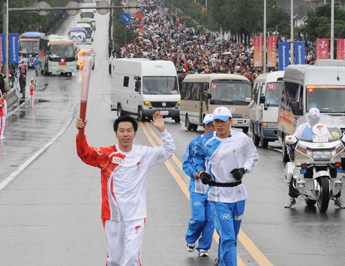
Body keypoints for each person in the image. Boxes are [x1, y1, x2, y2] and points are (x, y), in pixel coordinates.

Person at [75, 113, 175, 266]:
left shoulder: (144, 154)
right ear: (116, 133)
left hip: (136, 215)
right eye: (121, 130)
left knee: (132, 259)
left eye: (129, 130)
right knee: (114, 260)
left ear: (135, 133)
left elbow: (168, 151)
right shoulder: (106, 154)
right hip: (112, 216)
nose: (125, 134)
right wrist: (80, 133)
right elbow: (84, 153)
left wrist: (163, 131)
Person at [193, 106, 258, 266]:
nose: (220, 125)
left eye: (223, 121)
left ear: (230, 121)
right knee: (228, 237)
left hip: (238, 194)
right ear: (213, 122)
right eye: (216, 121)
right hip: (218, 194)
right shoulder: (206, 140)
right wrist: (201, 172)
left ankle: (222, 260)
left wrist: (244, 169)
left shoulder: (241, 138)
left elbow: (252, 155)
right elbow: (197, 159)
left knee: (231, 236)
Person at [284, 108, 344, 208]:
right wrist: (292, 140)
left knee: (336, 172)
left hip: (323, 155)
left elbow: (329, 138)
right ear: (309, 117)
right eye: (313, 118)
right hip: (307, 155)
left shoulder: (323, 127)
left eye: (317, 118)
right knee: (296, 171)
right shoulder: (302, 127)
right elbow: (295, 137)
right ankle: (292, 198)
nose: (315, 120)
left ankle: (337, 198)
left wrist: (334, 139)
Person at [182, 114, 215, 257]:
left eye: (215, 125)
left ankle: (203, 248)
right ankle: (190, 239)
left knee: (210, 221)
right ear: (204, 126)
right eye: (209, 125)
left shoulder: (220, 144)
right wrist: (193, 173)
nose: (212, 128)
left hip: (214, 190)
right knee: (199, 218)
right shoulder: (195, 143)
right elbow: (186, 162)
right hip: (197, 189)